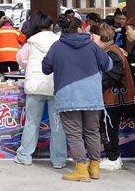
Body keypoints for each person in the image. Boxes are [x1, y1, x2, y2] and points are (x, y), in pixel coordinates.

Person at [43, 16, 112, 182]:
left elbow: (46, 68)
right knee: (92, 132)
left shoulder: (57, 46)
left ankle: (81, 169)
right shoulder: (92, 46)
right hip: (92, 97)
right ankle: (94, 168)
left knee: (74, 134)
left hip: (68, 97)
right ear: (81, 28)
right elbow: (108, 65)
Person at [13, 11, 67, 168]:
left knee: (31, 123)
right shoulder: (59, 41)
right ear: (52, 26)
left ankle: (24, 156)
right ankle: (58, 160)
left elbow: (21, 60)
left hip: (35, 87)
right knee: (57, 125)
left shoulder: (31, 42)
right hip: (55, 87)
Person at [91, 23, 134, 171]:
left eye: (94, 36)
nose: (92, 39)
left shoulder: (111, 52)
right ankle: (113, 157)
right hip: (116, 98)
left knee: (109, 129)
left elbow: (112, 76)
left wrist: (92, 84)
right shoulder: (112, 50)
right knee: (109, 129)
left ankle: (113, 158)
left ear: (102, 36)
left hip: (115, 99)